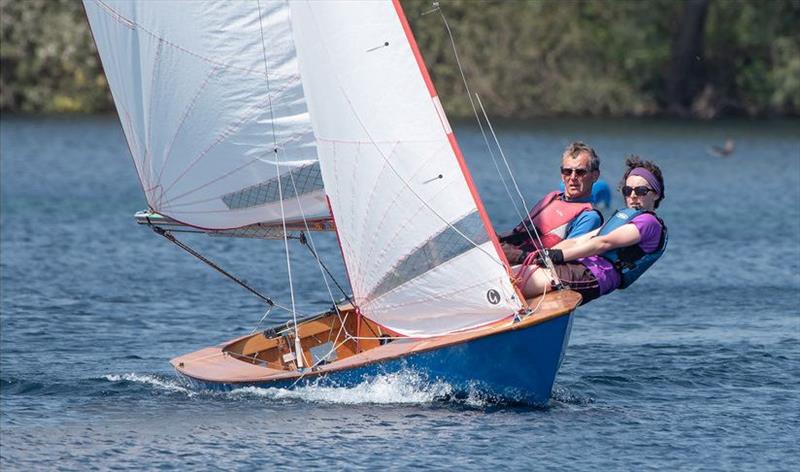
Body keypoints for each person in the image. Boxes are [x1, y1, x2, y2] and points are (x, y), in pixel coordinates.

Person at [516, 156, 667, 305]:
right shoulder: (624, 218)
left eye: (641, 191)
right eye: (628, 190)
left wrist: (558, 255)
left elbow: (604, 243)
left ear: (656, 194)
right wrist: (544, 254)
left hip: (594, 274)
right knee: (518, 272)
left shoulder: (649, 223)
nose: (633, 196)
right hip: (581, 266)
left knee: (517, 284)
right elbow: (577, 240)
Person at [500, 141, 603, 264]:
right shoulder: (552, 198)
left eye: (580, 172)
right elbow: (519, 233)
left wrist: (518, 257)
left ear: (595, 176)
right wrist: (497, 240)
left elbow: (564, 255)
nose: (573, 177)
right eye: (567, 171)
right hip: (509, 256)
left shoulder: (589, 217)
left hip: (530, 267)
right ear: (562, 175)